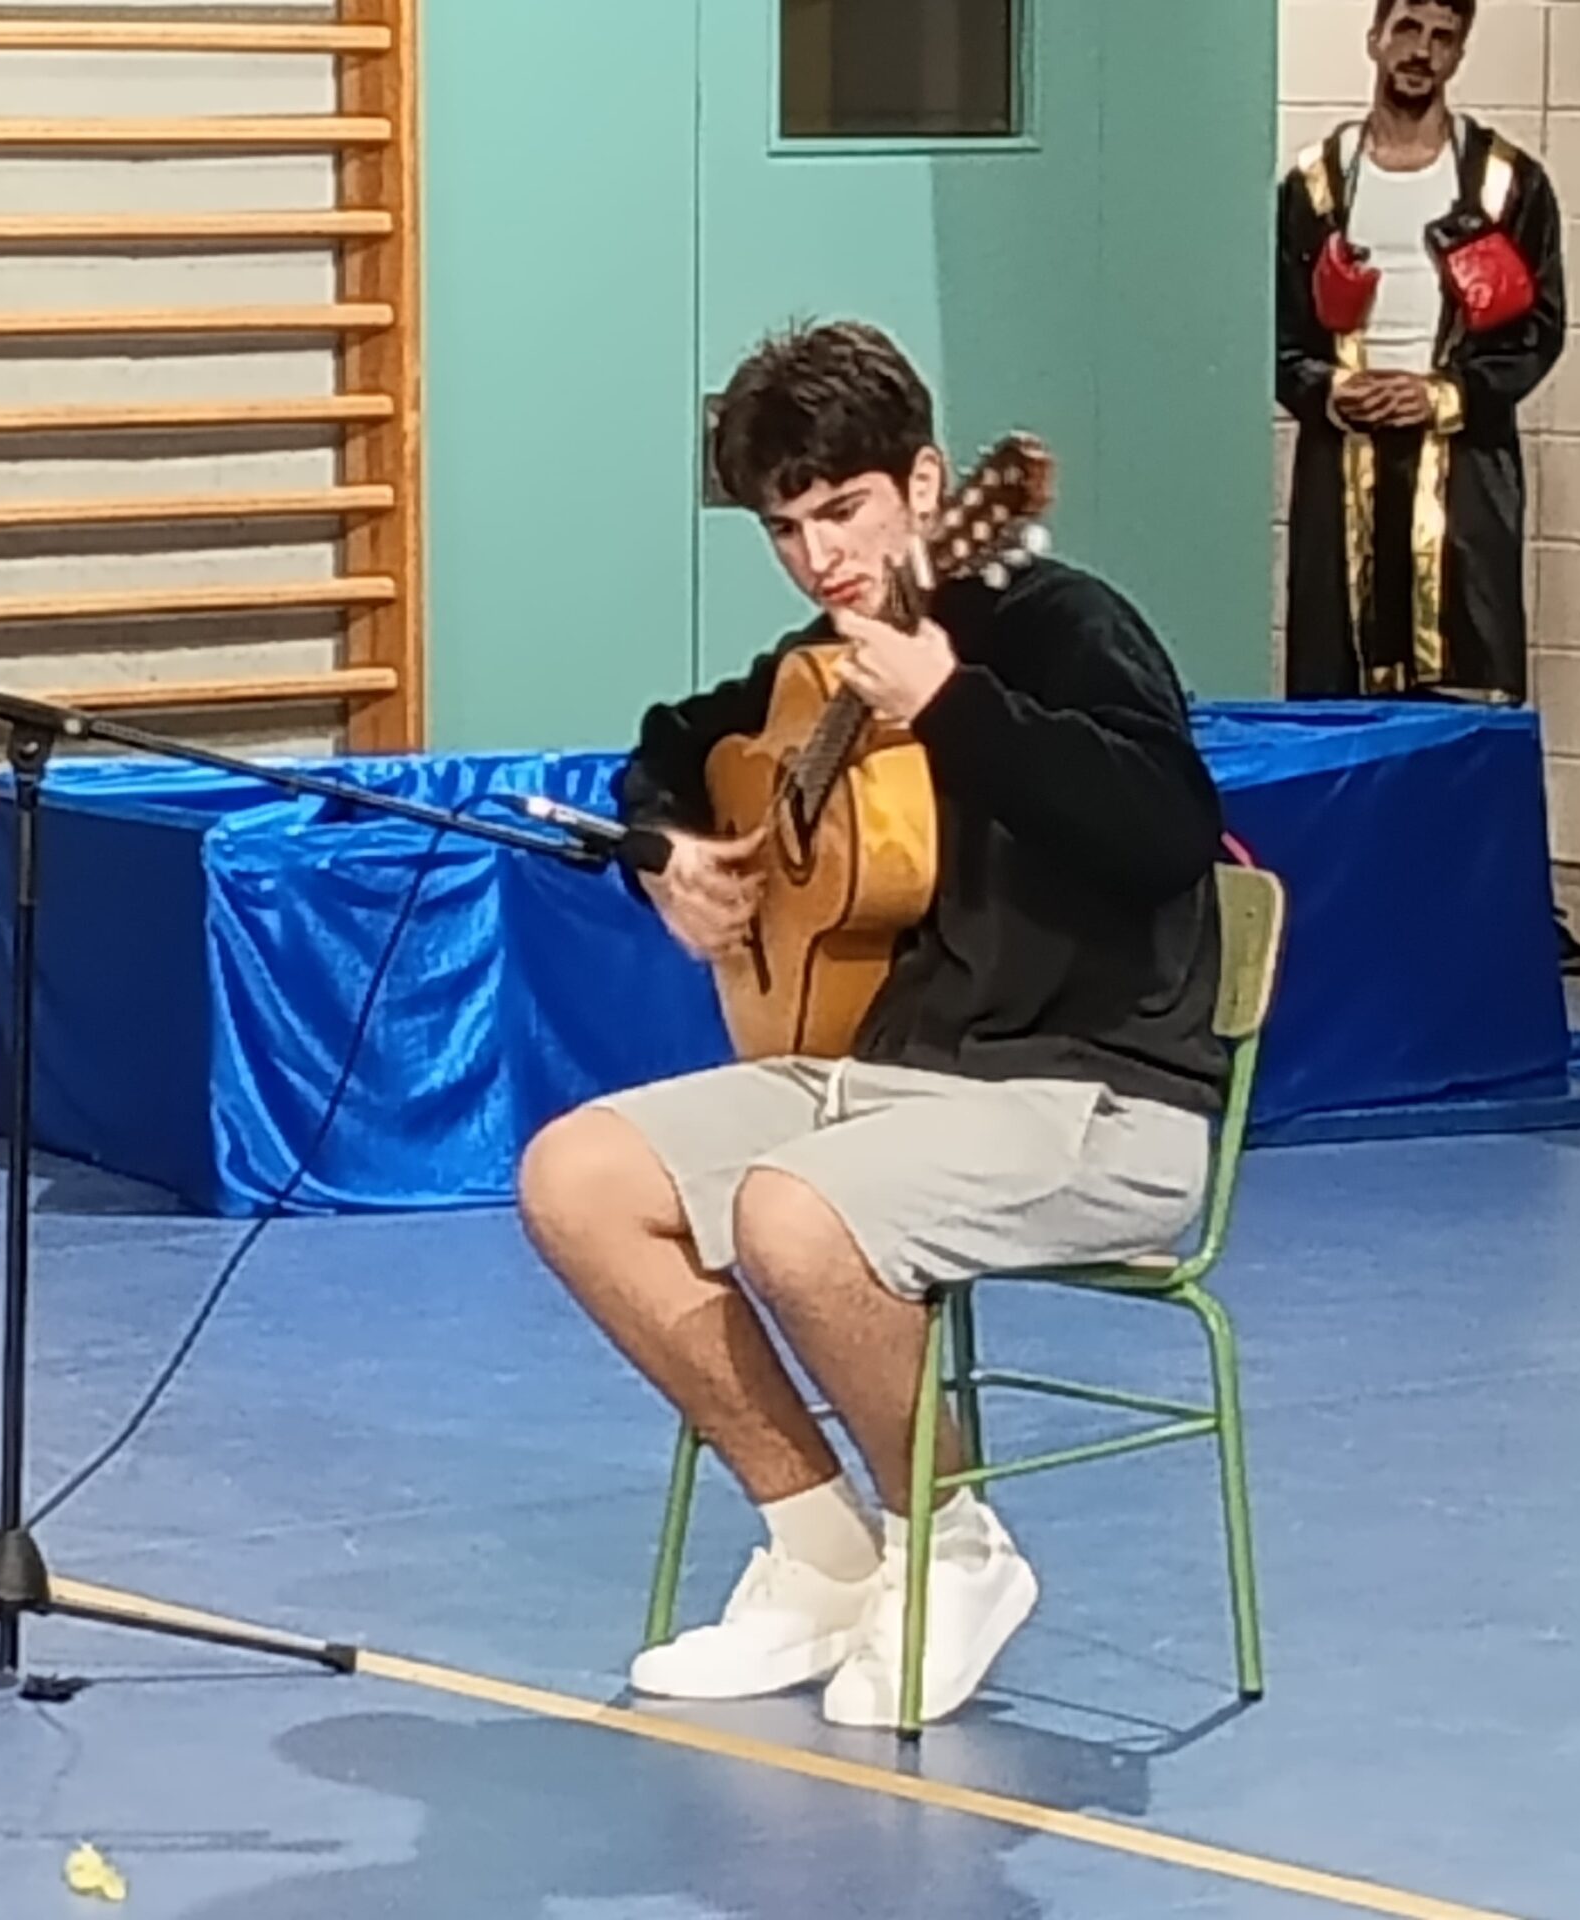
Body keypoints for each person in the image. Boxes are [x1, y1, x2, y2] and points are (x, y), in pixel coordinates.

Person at [514, 320, 1228, 1728]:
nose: (818, 556)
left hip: (1098, 1095)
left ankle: (952, 1548)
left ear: (927, 484)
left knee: (792, 1216)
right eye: (786, 529)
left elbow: (1166, 829)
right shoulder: (817, 665)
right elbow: (674, 742)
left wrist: (953, 706)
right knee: (574, 1177)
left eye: (843, 511)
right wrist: (668, 853)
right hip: (889, 1078)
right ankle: (822, 1550)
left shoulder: (1060, 624)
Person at [1278, 0, 1580, 972]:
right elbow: (1274, 333)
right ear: (1375, 36)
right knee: (1336, 695)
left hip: (1462, 483)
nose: (1420, 52)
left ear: (1460, 49)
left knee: (1469, 692)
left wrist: (1442, 395)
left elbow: (1538, 331)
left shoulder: (1507, 183)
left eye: (1441, 36)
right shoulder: (1314, 185)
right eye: (1407, 28)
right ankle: (1337, 914)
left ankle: (1488, 919)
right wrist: (1330, 390)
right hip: (1342, 475)